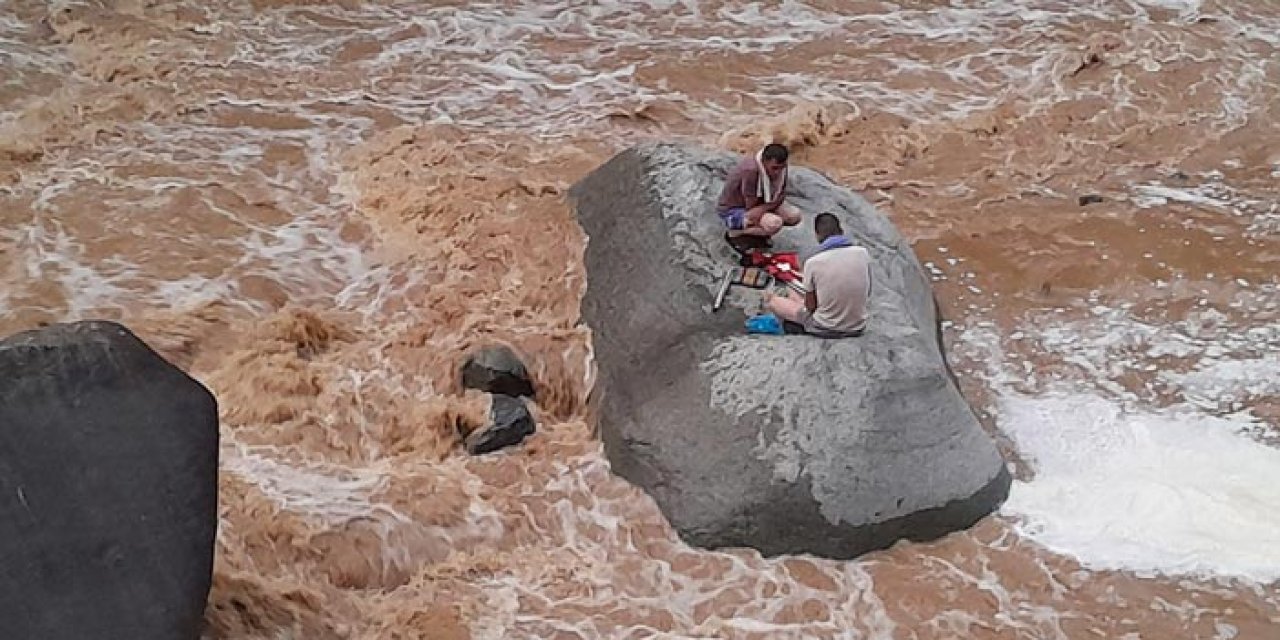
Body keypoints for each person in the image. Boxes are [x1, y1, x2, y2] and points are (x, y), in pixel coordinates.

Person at [765, 213, 870, 337]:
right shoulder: (862, 253)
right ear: (841, 231)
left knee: (773, 301)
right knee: (796, 294)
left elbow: (810, 307)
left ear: (817, 235)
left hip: (825, 327)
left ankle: (788, 327)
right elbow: (867, 291)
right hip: (858, 326)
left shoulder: (813, 262)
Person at [716, 143, 803, 240]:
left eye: (781, 167)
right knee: (774, 224)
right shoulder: (751, 171)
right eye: (774, 168)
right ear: (764, 161)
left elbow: (781, 195)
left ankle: (759, 231)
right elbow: (750, 205)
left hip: (762, 203)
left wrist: (765, 208)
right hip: (736, 209)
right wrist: (766, 210)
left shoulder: (782, 169)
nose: (777, 172)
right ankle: (737, 233)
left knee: (794, 216)